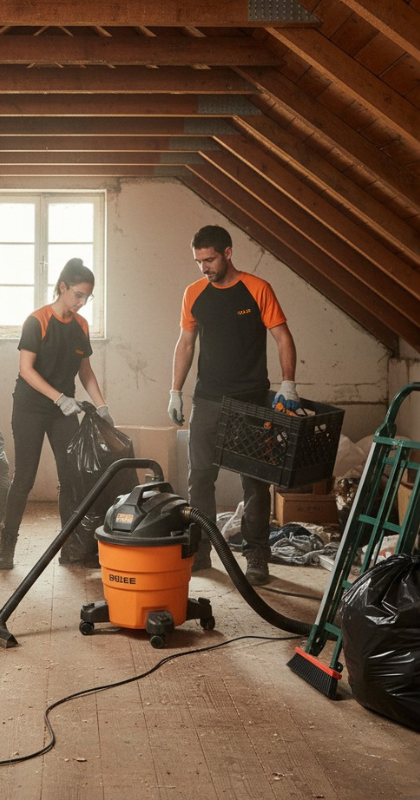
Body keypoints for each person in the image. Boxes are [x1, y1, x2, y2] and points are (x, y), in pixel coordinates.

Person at [168, 225, 299, 585]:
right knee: (200, 478)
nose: (203, 267)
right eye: (198, 261)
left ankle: (257, 555)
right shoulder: (194, 293)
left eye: (209, 259)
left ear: (228, 253)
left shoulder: (257, 289)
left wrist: (288, 383)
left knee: (255, 482)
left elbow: (282, 336)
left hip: (252, 399)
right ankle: (202, 551)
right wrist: (175, 391)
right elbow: (186, 344)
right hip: (208, 398)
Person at [0, 258, 112, 570]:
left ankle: (70, 546)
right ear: (62, 287)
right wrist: (59, 397)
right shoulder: (37, 320)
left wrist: (102, 406)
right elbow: (26, 369)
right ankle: (7, 546)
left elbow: (85, 371)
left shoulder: (81, 325)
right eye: (77, 295)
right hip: (31, 407)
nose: (82, 302)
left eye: (87, 297)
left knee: (71, 476)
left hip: (64, 410)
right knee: (24, 478)